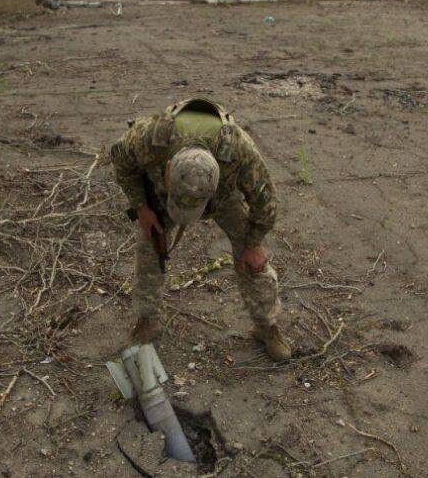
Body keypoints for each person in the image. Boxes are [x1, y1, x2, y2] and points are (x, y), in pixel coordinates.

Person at [109, 98, 291, 361]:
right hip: (164, 195)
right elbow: (122, 164)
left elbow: (266, 202)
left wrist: (253, 243)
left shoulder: (239, 150)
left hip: (222, 199)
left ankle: (267, 326)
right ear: (168, 168)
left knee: (254, 261)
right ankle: (147, 319)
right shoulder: (148, 138)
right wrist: (141, 207)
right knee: (149, 246)